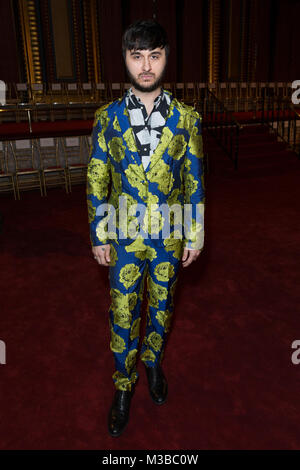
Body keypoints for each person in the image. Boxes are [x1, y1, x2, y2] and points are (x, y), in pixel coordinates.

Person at [86, 19, 205, 437]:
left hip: (170, 237)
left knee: (161, 308)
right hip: (122, 235)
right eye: (137, 56)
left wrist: (195, 232)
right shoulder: (107, 118)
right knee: (123, 313)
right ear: (126, 60)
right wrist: (99, 234)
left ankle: (152, 364)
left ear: (166, 58)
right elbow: (98, 178)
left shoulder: (188, 119)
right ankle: (124, 385)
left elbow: (194, 178)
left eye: (154, 55)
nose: (146, 65)